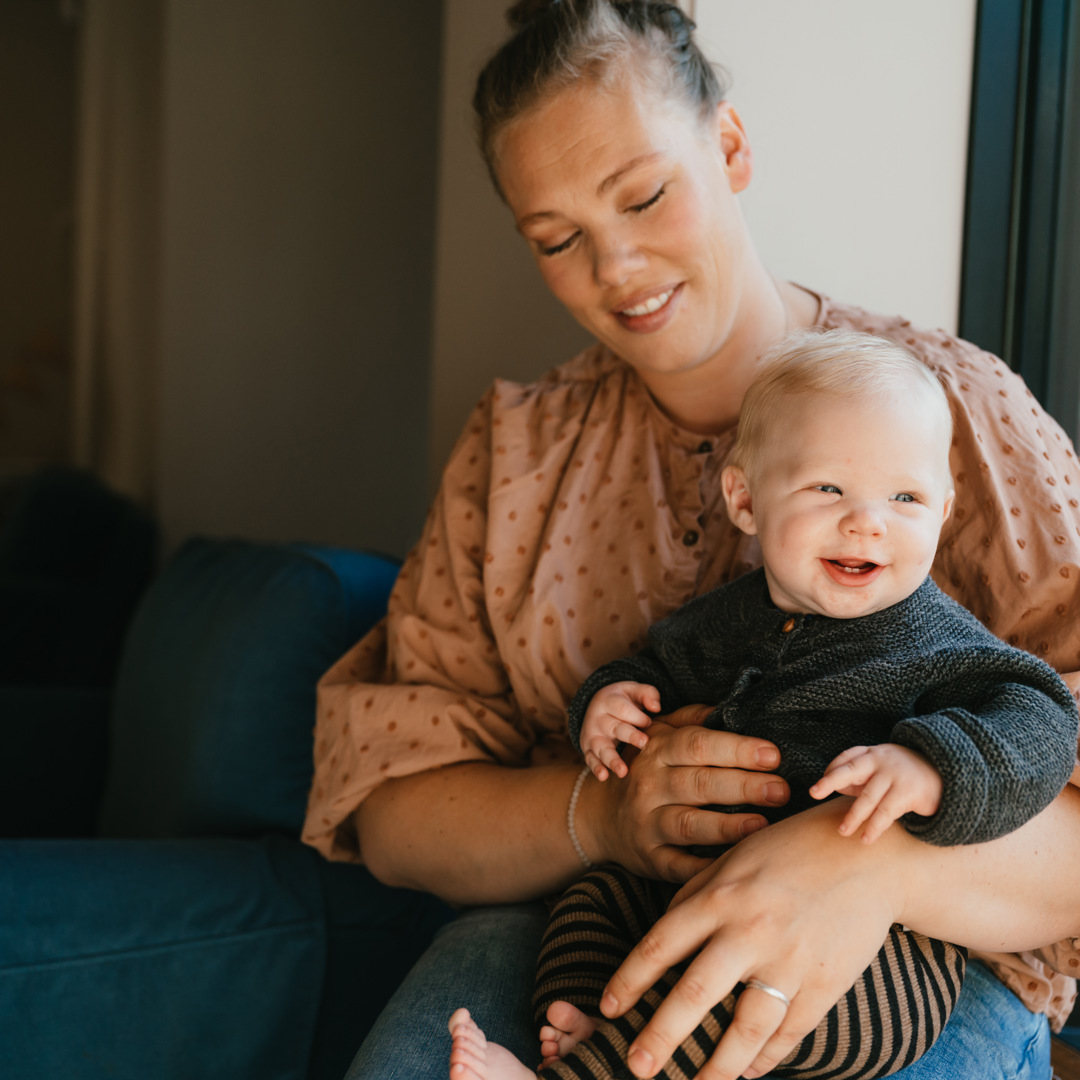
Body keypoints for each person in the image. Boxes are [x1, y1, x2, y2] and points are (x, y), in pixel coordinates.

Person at [302, 3, 1080, 1078]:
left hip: (916, 957)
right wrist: (608, 814)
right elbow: (390, 809)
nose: (617, 268)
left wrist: (873, 865)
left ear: (729, 148)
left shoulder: (958, 416)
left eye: (644, 194)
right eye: (557, 239)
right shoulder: (516, 452)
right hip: (591, 932)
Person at [443, 330, 1079, 1080]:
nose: (867, 520)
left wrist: (931, 765)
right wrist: (607, 702)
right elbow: (654, 669)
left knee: (768, 995)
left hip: (877, 960)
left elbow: (1041, 719)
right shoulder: (724, 620)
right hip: (699, 887)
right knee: (593, 900)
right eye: (827, 490)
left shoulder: (939, 642)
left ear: (942, 510)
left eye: (904, 497)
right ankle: (595, 1024)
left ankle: (588, 1074)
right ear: (745, 499)